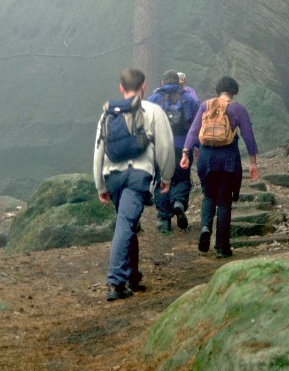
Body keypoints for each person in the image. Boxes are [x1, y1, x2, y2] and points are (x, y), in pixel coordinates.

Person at [93, 68, 175, 302]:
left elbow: (99, 150)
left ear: (121, 87)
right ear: (144, 87)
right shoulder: (153, 111)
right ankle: (115, 282)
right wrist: (166, 177)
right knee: (126, 222)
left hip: (113, 176)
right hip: (138, 175)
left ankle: (132, 276)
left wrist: (100, 185)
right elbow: (166, 148)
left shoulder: (108, 113)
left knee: (128, 222)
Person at [180, 76, 259, 258]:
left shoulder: (205, 106)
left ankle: (206, 227)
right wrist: (253, 162)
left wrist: (186, 152)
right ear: (234, 91)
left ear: (218, 90)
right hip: (228, 159)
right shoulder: (238, 108)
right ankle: (222, 247)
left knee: (208, 196)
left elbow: (193, 131)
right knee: (224, 202)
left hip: (206, 157)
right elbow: (248, 135)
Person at [148, 70, 199, 232]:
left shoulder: (154, 99)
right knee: (182, 179)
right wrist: (196, 146)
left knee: (162, 181)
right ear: (179, 82)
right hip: (182, 147)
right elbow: (196, 126)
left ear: (162, 83)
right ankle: (178, 202)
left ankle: (164, 220)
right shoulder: (188, 99)